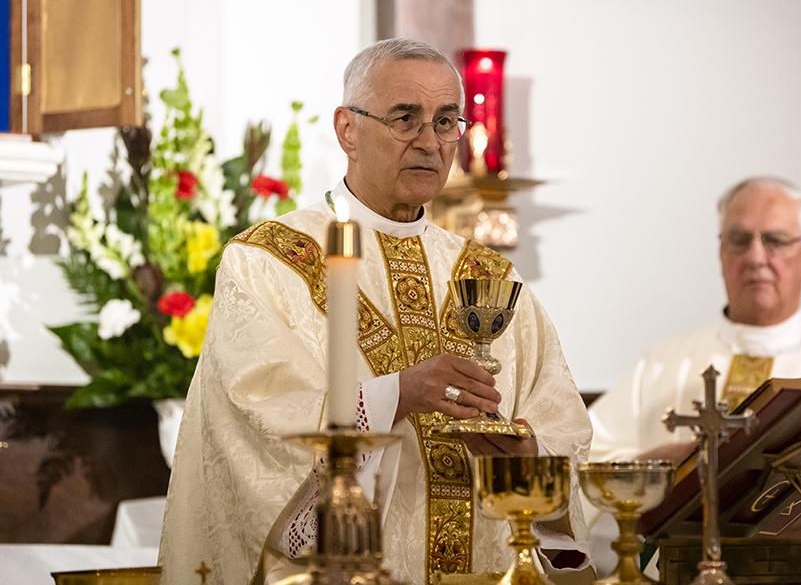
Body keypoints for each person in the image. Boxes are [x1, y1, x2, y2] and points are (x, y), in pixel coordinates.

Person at [159, 38, 593, 585]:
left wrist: (528, 453)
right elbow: (255, 428)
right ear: (346, 129)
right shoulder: (268, 262)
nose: (429, 142)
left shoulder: (491, 279)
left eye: (445, 121)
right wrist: (394, 396)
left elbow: (564, 429)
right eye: (405, 118)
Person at [586, 176, 801, 573]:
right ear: (720, 252)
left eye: (775, 240)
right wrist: (662, 471)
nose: (755, 256)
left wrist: (777, 499)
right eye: (739, 240)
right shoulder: (662, 363)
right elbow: (589, 470)